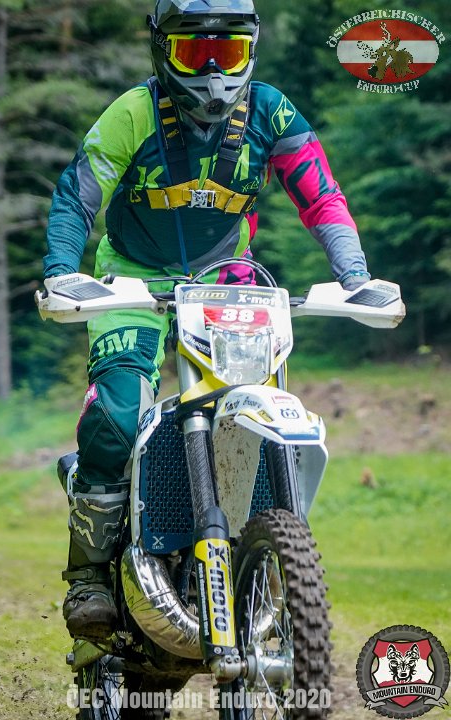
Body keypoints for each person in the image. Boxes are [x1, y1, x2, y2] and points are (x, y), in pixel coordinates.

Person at [44, 0, 370, 641]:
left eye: (230, 52)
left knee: (253, 410)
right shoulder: (133, 113)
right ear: (163, 51)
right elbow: (76, 195)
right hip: (131, 278)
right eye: (197, 53)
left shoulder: (272, 112)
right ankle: (89, 577)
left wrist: (356, 276)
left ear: (253, 50)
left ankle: (262, 551)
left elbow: (321, 196)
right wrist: (61, 272)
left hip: (227, 279)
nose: (215, 72)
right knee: (116, 416)